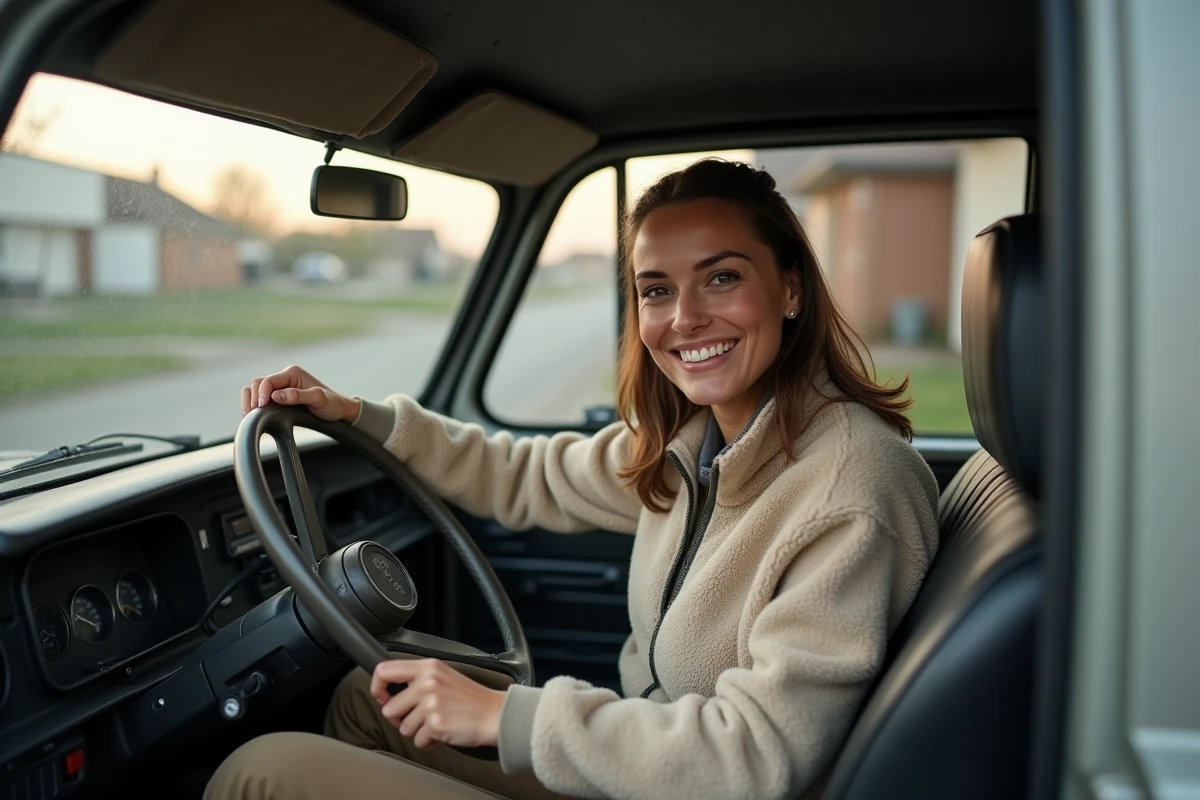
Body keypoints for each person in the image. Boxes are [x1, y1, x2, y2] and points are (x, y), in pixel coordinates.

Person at [207, 158, 939, 800]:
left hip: (709, 782)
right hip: (654, 767)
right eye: (657, 290)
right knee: (370, 697)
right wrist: (356, 415)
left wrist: (504, 716)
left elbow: (760, 752)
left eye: (722, 278)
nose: (685, 317)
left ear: (790, 289)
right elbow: (521, 472)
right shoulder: (695, 444)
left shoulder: (849, 487)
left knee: (261, 772)